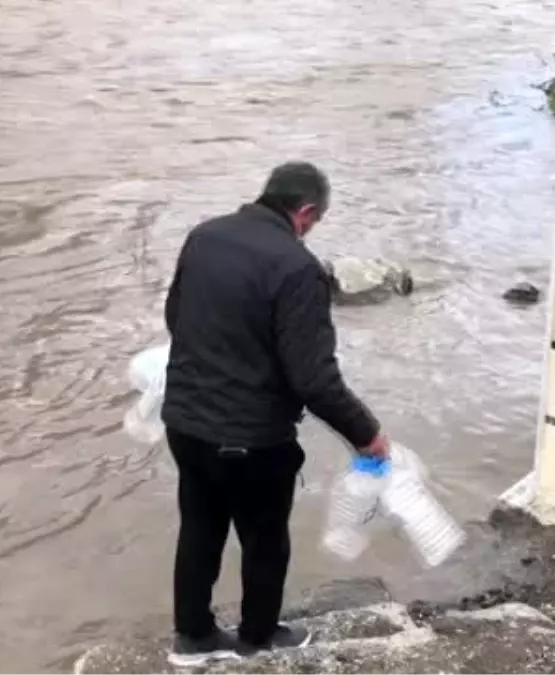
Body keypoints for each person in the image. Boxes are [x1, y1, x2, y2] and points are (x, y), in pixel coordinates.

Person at [161, 161, 390, 667]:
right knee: (265, 541)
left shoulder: (204, 236)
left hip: (185, 422)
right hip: (251, 438)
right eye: (315, 221)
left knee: (199, 529)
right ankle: (259, 639)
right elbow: (314, 380)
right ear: (305, 211)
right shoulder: (296, 267)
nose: (310, 231)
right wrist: (367, 434)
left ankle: (193, 639)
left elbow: (176, 318)